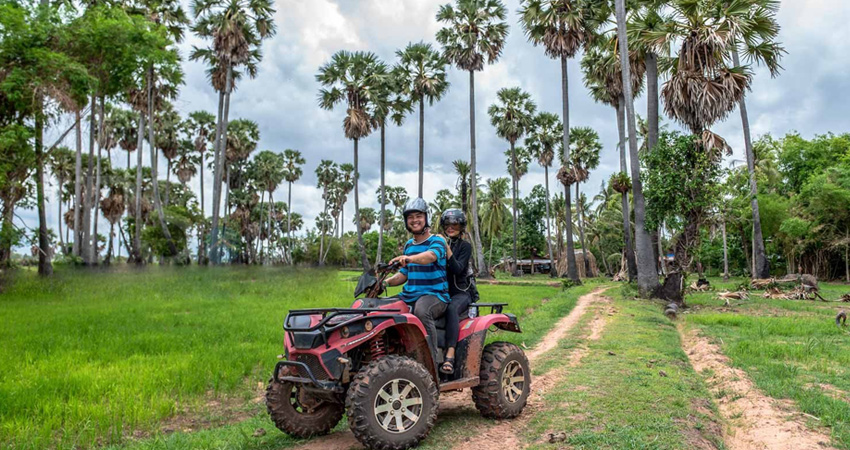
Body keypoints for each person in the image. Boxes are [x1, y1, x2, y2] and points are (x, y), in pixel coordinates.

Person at [384, 198, 450, 363]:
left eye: (418, 216)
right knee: (382, 308)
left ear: (426, 218)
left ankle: (430, 360)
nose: (414, 220)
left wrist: (409, 258)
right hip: (409, 294)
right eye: (410, 217)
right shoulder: (409, 245)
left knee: (422, 311)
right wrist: (385, 283)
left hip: (435, 295)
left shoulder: (437, 241)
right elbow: (404, 274)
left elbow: (430, 256)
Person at [437, 209, 477, 374]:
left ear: (461, 227)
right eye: (447, 224)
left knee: (451, 308)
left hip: (461, 293)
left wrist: (446, 247)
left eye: (455, 224)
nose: (451, 227)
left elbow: (457, 269)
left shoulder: (465, 246)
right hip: (442, 292)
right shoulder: (438, 246)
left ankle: (450, 355)